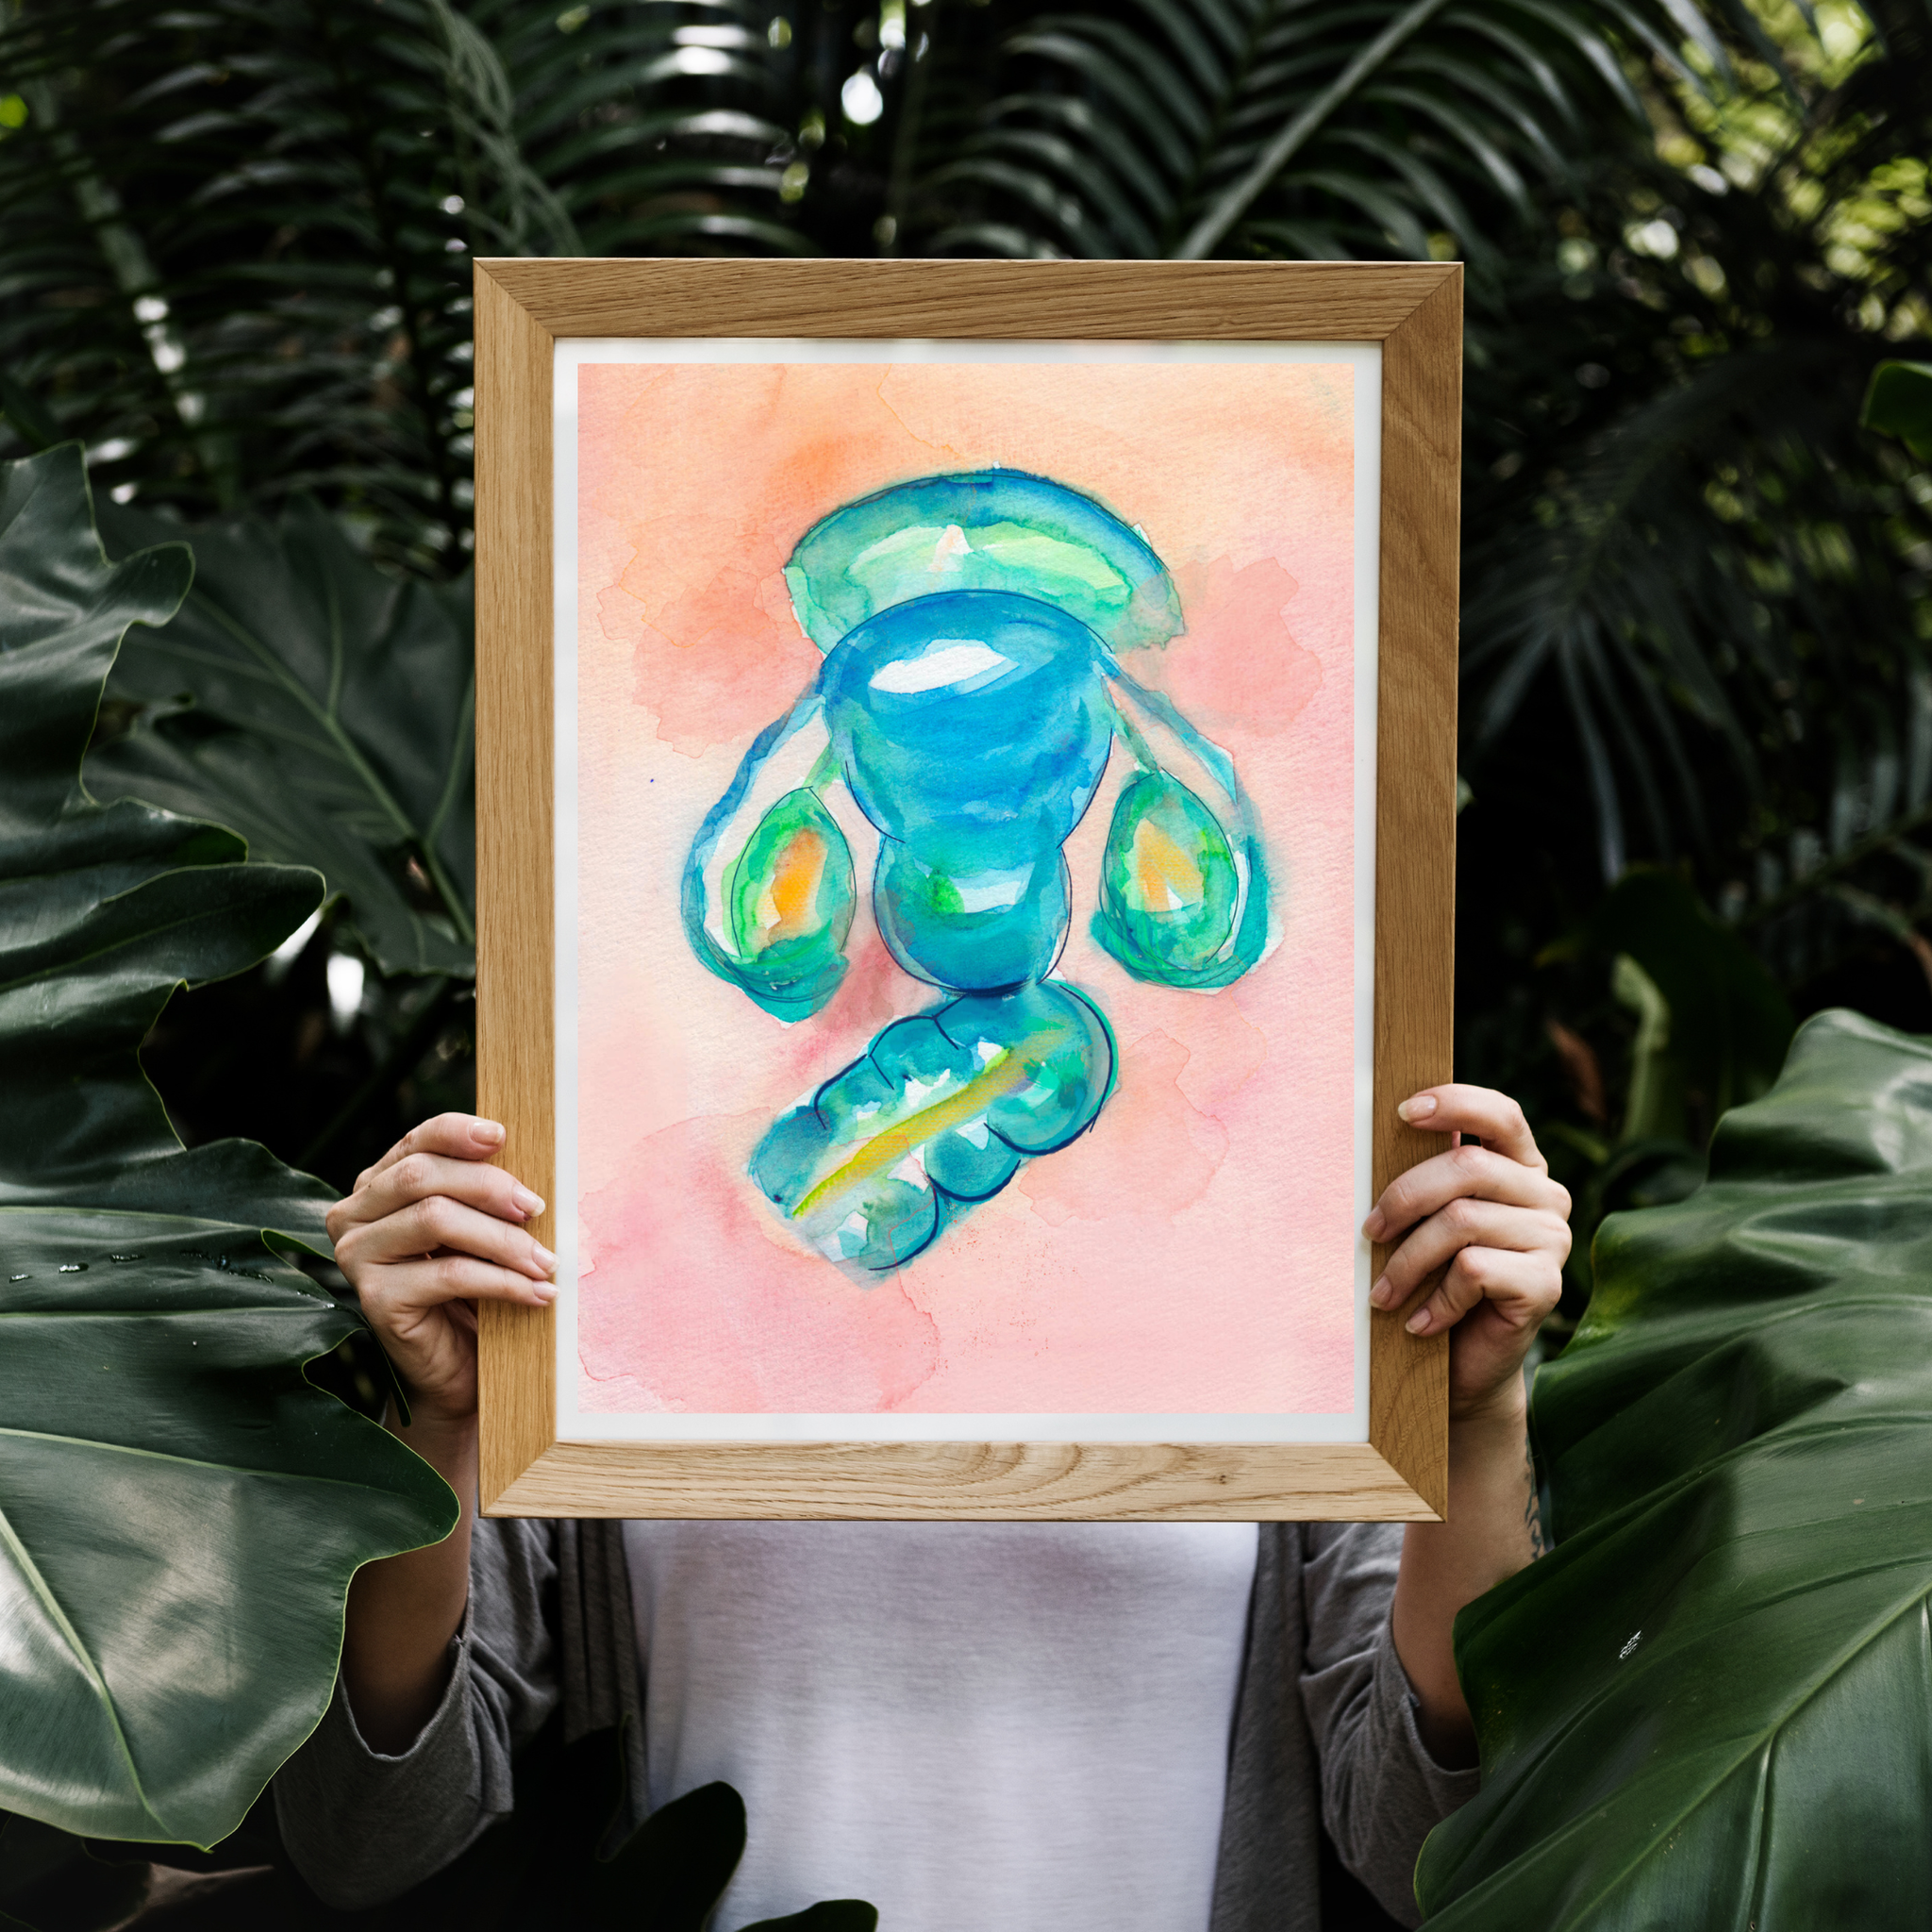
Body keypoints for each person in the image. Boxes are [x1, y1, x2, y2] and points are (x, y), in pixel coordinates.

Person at [275, 1086, 1569, 1930]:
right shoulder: (618, 1233)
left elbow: (1436, 1843)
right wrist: (442, 1424)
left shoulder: (1281, 1255)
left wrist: (1469, 1423)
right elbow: (371, 1833)